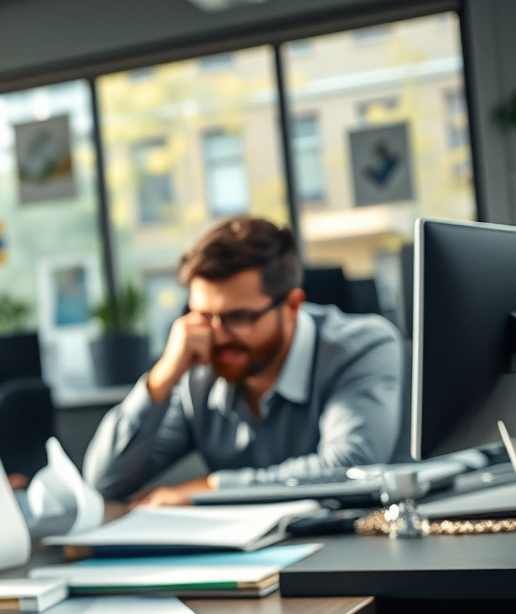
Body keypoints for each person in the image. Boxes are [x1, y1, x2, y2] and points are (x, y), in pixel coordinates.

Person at [82, 215, 404, 506]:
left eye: (237, 317)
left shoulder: (363, 346)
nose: (217, 335)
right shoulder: (198, 370)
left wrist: (213, 488)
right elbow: (104, 483)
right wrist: (162, 376)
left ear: (292, 306)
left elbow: (351, 467)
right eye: (202, 315)